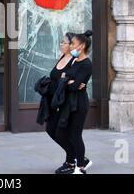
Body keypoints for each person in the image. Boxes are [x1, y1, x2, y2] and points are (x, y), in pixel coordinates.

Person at [44, 32, 86, 174]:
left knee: (65, 132)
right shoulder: (62, 57)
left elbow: (76, 80)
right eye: (61, 42)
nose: (61, 44)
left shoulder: (74, 60)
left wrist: (75, 82)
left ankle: (73, 161)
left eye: (64, 42)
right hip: (56, 101)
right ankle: (78, 157)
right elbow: (58, 77)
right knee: (51, 129)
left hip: (68, 102)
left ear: (71, 45)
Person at [54, 30, 94, 174]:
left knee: (75, 135)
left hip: (79, 104)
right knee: (62, 132)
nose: (70, 46)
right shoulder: (73, 61)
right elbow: (65, 78)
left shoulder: (86, 64)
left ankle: (80, 167)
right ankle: (75, 161)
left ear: (81, 46)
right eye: (70, 43)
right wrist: (68, 81)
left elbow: (74, 85)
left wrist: (69, 82)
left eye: (73, 44)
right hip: (69, 103)